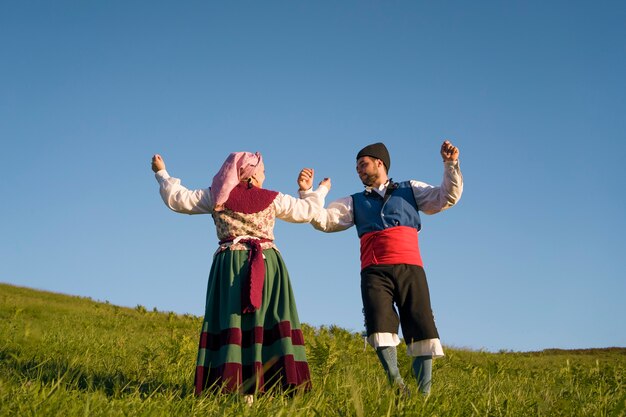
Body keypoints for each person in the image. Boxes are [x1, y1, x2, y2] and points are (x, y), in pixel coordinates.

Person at [150, 151, 331, 400]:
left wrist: (162, 173)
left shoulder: (216, 195)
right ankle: (265, 388)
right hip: (267, 264)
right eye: (263, 170)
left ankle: (239, 390)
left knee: (234, 322)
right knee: (265, 320)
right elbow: (306, 211)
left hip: (231, 265)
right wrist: (314, 190)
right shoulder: (272, 198)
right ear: (253, 173)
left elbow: (179, 199)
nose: (265, 175)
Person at [306, 140, 463, 395]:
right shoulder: (354, 202)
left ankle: (424, 396)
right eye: (356, 167)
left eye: (363, 164)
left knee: (421, 325)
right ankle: (397, 384)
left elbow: (446, 197)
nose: (359, 170)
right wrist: (309, 194)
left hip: (410, 268)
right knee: (378, 324)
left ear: (380, 163)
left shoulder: (409, 189)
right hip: (374, 271)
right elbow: (324, 220)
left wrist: (450, 164)